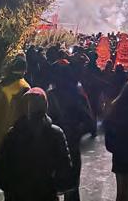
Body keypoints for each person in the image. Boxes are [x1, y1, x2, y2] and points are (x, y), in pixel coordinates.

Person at [0, 87, 72, 201]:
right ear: (45, 106)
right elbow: (65, 168)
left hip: (17, 195)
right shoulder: (55, 133)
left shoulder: (12, 135)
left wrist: (10, 189)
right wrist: (56, 187)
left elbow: (1, 170)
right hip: (46, 194)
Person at [48, 60, 95, 201]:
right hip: (72, 147)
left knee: (51, 188)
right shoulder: (77, 96)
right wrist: (76, 132)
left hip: (52, 148)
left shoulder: (50, 96)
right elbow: (89, 122)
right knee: (72, 188)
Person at [0, 56, 30, 201]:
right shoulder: (24, 88)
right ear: (25, 70)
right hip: (11, 141)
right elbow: (24, 116)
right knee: (11, 181)